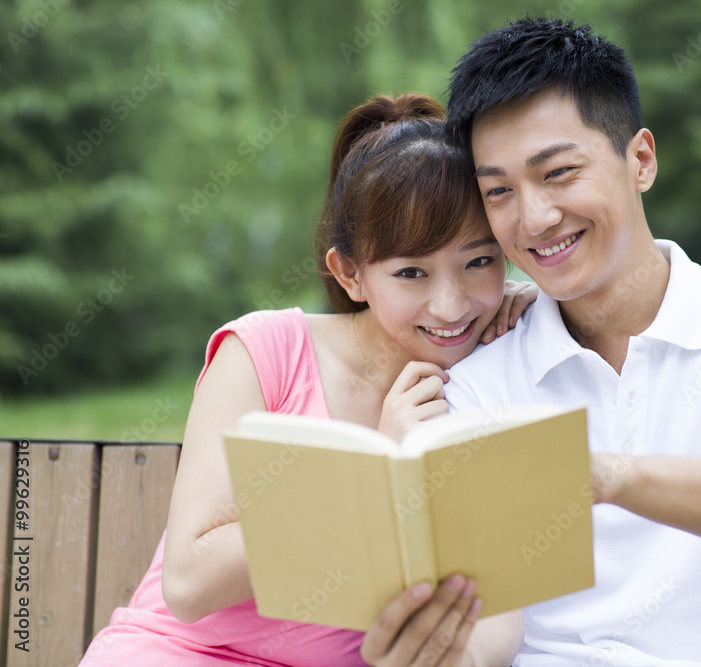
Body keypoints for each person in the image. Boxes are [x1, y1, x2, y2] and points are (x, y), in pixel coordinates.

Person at [441, 18, 701, 666]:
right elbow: (495, 622)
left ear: (640, 160)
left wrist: (601, 473)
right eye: (499, 191)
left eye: (558, 172)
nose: (533, 218)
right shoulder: (477, 384)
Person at [78, 94, 528, 667]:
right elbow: (189, 584)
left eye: (479, 262)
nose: (450, 304)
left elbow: (498, 606)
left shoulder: (489, 374)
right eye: (411, 272)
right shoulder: (265, 352)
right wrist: (376, 484)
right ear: (351, 273)